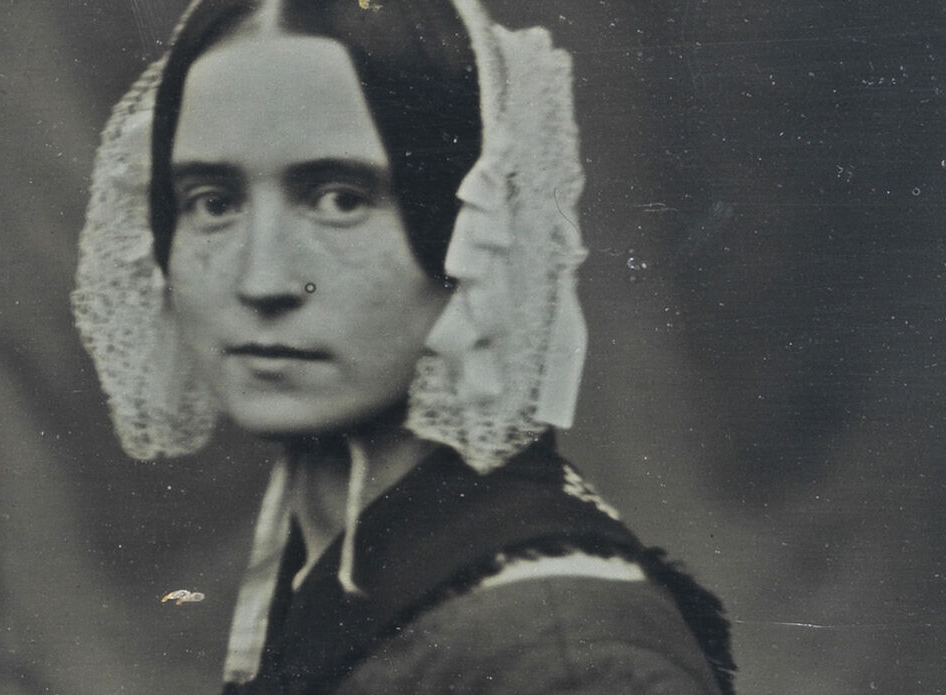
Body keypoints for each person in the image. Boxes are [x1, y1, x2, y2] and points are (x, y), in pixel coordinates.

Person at [71, 0, 737, 692]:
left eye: (340, 198)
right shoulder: (330, 559)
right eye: (213, 202)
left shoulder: (568, 657)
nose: (261, 279)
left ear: (468, 227)